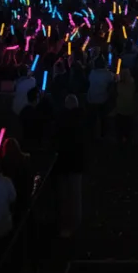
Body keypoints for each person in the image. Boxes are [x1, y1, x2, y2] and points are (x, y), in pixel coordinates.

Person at [56, 94, 86, 238]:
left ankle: (65, 223)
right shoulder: (82, 122)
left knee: (64, 195)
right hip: (77, 162)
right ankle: (76, 222)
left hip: (63, 161)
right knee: (76, 193)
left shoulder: (61, 122)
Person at [87, 57, 115, 139]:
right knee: (103, 117)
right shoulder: (107, 74)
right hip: (103, 99)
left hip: (91, 99)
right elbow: (115, 79)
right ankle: (103, 134)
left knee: (93, 118)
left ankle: (92, 134)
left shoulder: (92, 73)